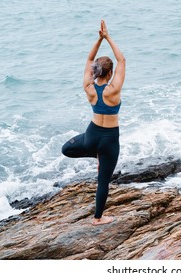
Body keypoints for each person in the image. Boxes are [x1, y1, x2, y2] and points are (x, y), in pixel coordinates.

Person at [62, 20, 126, 225]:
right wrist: (107, 37)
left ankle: (93, 152)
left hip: (91, 135)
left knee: (66, 149)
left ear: (96, 70)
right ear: (110, 73)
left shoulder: (88, 87)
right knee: (103, 181)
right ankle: (98, 219)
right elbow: (122, 59)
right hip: (109, 140)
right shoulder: (113, 89)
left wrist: (98, 39)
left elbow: (89, 58)